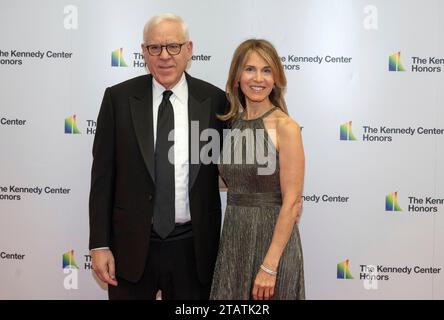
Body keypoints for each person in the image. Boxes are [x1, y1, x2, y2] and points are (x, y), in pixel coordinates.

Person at [89, 13, 227, 300]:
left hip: (194, 248)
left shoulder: (215, 101)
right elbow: (102, 177)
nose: (164, 56)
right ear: (143, 52)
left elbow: (235, 167)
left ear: (189, 50)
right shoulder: (118, 99)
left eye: (173, 46)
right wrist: (100, 244)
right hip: (131, 246)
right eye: (155, 48)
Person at [210, 39, 305, 300]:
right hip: (234, 240)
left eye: (267, 70)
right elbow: (234, 179)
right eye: (250, 69)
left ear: (276, 78)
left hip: (272, 244)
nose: (258, 78)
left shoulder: (286, 127)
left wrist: (269, 266)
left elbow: (292, 201)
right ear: (237, 75)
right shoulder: (232, 124)